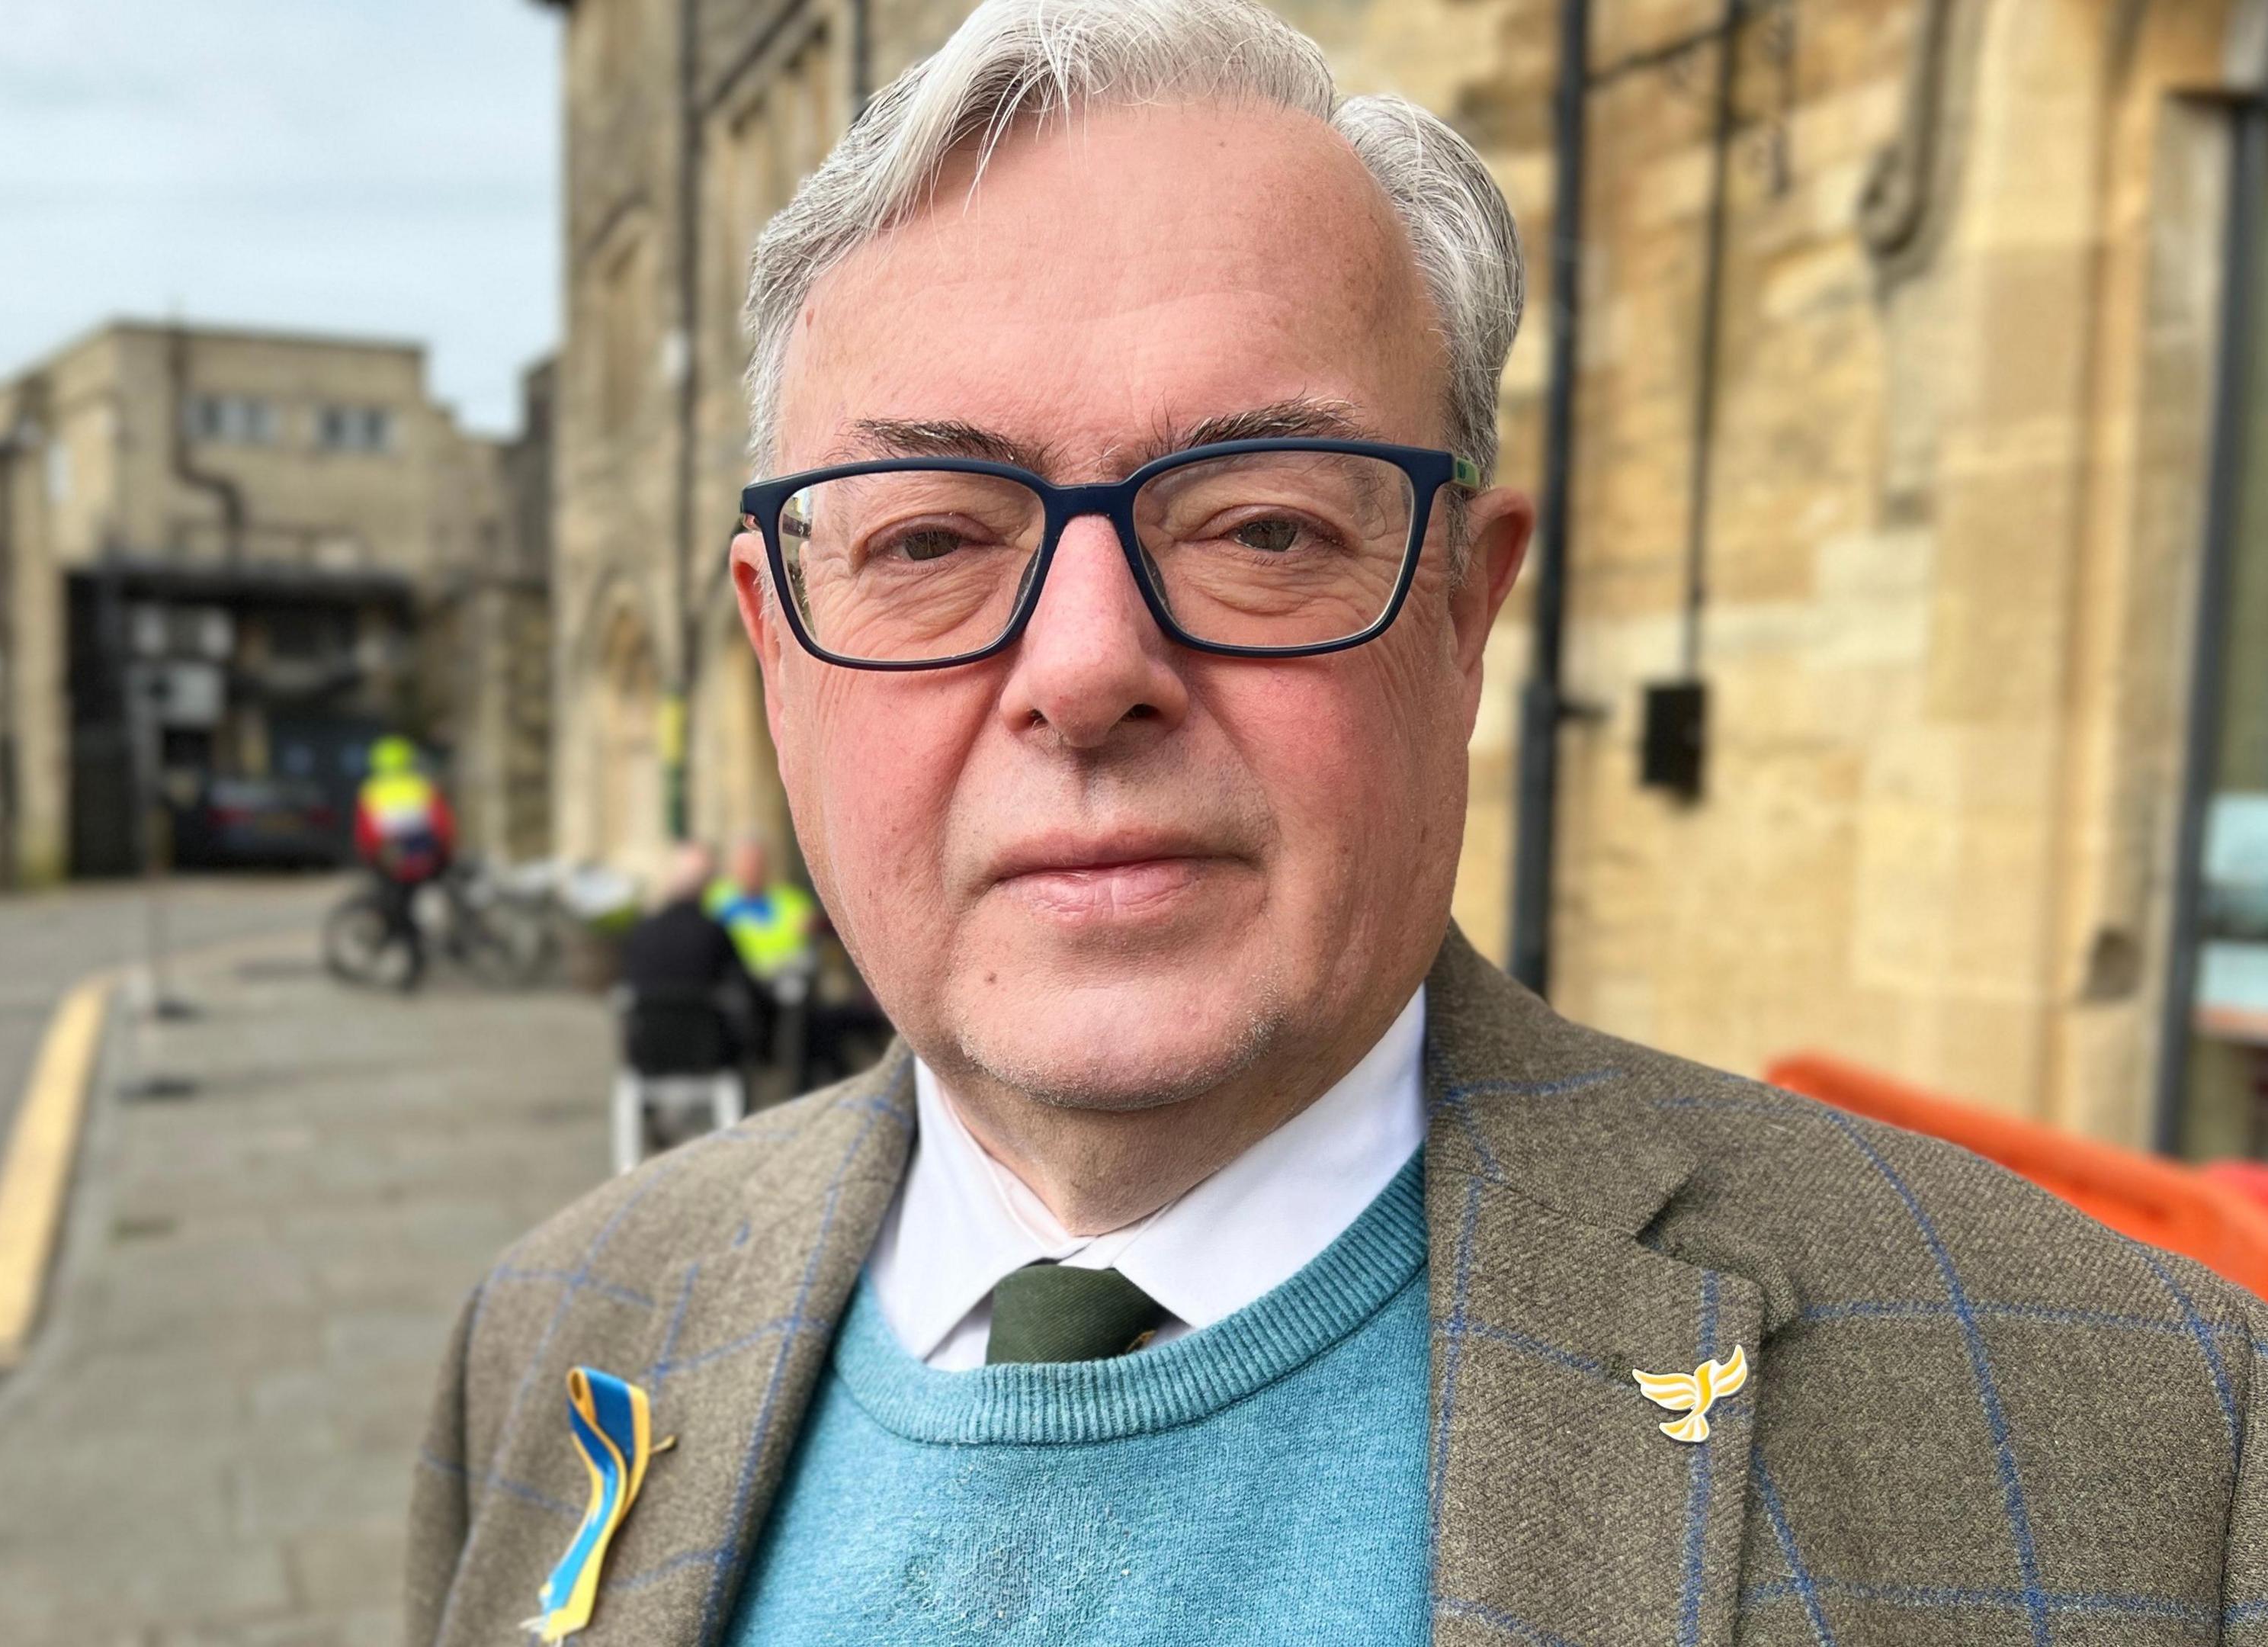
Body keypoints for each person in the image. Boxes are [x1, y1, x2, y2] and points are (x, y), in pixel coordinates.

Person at [410, 2, 2268, 1642]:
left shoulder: (2138, 1426)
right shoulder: (554, 1330)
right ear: (773, 647)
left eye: (1263, 524)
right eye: (924, 539)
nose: (1083, 666)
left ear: (1462, 606)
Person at [617, 842, 763, 1075]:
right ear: (708, 885)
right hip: (708, 1052)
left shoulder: (642, 931)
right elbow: (744, 984)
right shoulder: (714, 932)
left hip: (648, 1052)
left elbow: (628, 983)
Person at [351, 734, 452, 991]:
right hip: (427, 861)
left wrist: (371, 858)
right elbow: (443, 824)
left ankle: (414, 967)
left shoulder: (373, 789)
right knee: (410, 909)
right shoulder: (421, 786)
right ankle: (421, 957)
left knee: (399, 913)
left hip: (395, 866)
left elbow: (366, 835)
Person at [701, 835, 819, 983]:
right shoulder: (715, 899)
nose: (751, 869)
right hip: (733, 980)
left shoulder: (792, 900)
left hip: (781, 979)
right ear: (732, 865)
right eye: (746, 862)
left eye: (757, 863)